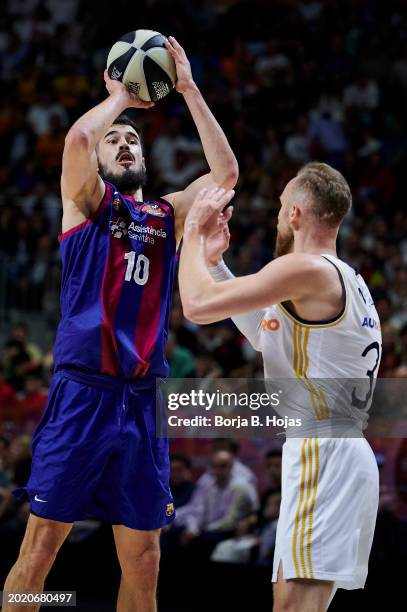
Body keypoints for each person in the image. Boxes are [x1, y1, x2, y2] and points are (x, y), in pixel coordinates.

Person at [2, 36, 238, 612]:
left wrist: (186, 88)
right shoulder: (85, 202)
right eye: (117, 141)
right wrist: (121, 99)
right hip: (85, 392)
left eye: (133, 138)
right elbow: (79, 137)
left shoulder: (167, 214)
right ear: (102, 161)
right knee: (41, 554)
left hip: (143, 400)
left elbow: (226, 172)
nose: (125, 142)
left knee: (145, 561)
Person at [178, 162, 381, 612]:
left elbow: (195, 306)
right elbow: (263, 332)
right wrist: (215, 264)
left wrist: (190, 231)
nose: (275, 215)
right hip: (335, 448)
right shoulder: (340, 277)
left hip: (322, 448)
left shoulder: (306, 269)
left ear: (294, 213)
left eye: (279, 206)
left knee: (291, 608)